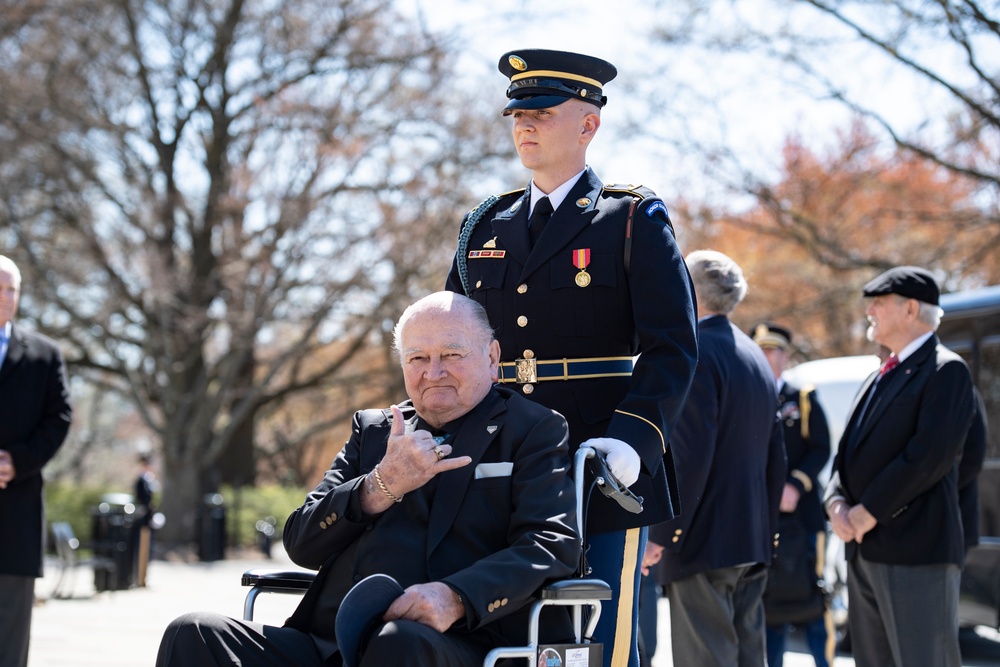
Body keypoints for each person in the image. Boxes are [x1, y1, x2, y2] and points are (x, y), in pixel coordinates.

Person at [155, 291, 580, 667]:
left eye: (452, 354)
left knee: (397, 644)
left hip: (455, 643)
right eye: (417, 358)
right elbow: (301, 542)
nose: (433, 372)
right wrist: (379, 485)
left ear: (491, 358)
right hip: (329, 643)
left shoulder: (532, 429)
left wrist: (455, 597)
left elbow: (550, 544)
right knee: (192, 633)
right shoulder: (374, 430)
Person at [445, 48, 698, 667]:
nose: (524, 126)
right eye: (517, 114)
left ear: (589, 124)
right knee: (500, 633)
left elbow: (674, 346)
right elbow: (450, 340)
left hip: (598, 460)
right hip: (497, 457)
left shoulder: (631, 218)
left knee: (600, 640)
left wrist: (633, 440)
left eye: (543, 113)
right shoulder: (485, 226)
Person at [824, 266, 976, 667]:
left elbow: (930, 456)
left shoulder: (946, 370)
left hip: (916, 552)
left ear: (911, 309)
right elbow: (845, 455)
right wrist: (835, 502)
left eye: (879, 302)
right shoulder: (879, 375)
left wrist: (867, 511)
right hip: (864, 550)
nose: (869, 310)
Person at [650, 250, 786, 667]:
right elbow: (776, 456)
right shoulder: (754, 356)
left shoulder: (696, 353)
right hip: (751, 537)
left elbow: (689, 456)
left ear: (688, 291)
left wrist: (662, 534)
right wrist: (767, 530)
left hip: (703, 542)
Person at [0, 255, 73, 667]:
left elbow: (60, 417)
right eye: (0, 289)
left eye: (13, 289)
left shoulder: (45, 356)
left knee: (10, 642)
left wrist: (19, 460)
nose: (7, 298)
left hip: (17, 514)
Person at [752, 323, 834, 667]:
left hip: (802, 518)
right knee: (768, 605)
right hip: (763, 518)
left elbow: (821, 448)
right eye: (763, 350)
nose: (770, 357)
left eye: (776, 350)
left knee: (812, 598)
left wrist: (795, 485)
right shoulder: (748, 395)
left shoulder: (802, 397)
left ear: (785, 356)